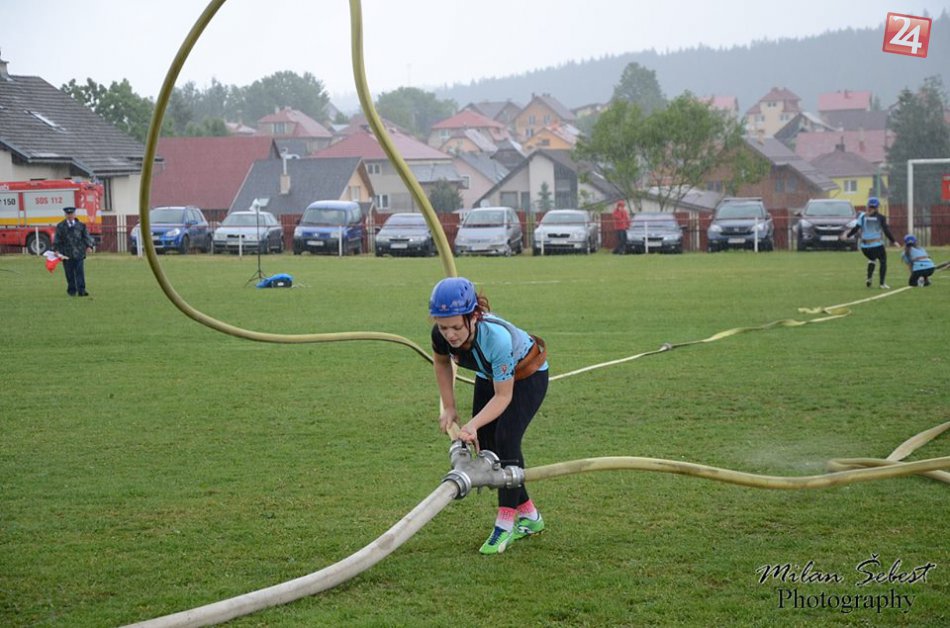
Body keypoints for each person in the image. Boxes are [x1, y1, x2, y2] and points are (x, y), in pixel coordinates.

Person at [429, 277, 549, 555]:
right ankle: (530, 517)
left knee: (506, 441)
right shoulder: (440, 335)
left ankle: (504, 525)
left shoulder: (496, 339)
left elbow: (503, 397)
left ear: (473, 317)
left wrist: (471, 424)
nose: (450, 335)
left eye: (456, 327)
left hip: (526, 376)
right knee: (487, 445)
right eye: (443, 327)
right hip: (488, 375)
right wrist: (449, 407)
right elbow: (442, 363)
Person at [842, 197, 898, 289]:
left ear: (867, 206)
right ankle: (882, 284)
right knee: (883, 261)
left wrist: (847, 236)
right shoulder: (881, 218)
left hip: (864, 247)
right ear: (877, 207)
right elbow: (886, 231)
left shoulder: (862, 216)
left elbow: (856, 229)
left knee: (872, 259)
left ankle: (869, 278)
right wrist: (894, 241)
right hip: (877, 245)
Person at [53, 206, 95, 297]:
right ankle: (72, 291)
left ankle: (81, 290)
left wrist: (89, 246)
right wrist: (56, 250)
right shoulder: (60, 226)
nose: (70, 216)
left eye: (71, 214)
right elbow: (57, 239)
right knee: (69, 273)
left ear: (75, 214)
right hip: (66, 254)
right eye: (68, 214)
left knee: (80, 272)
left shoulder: (81, 225)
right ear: (65, 215)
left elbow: (86, 237)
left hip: (79, 253)